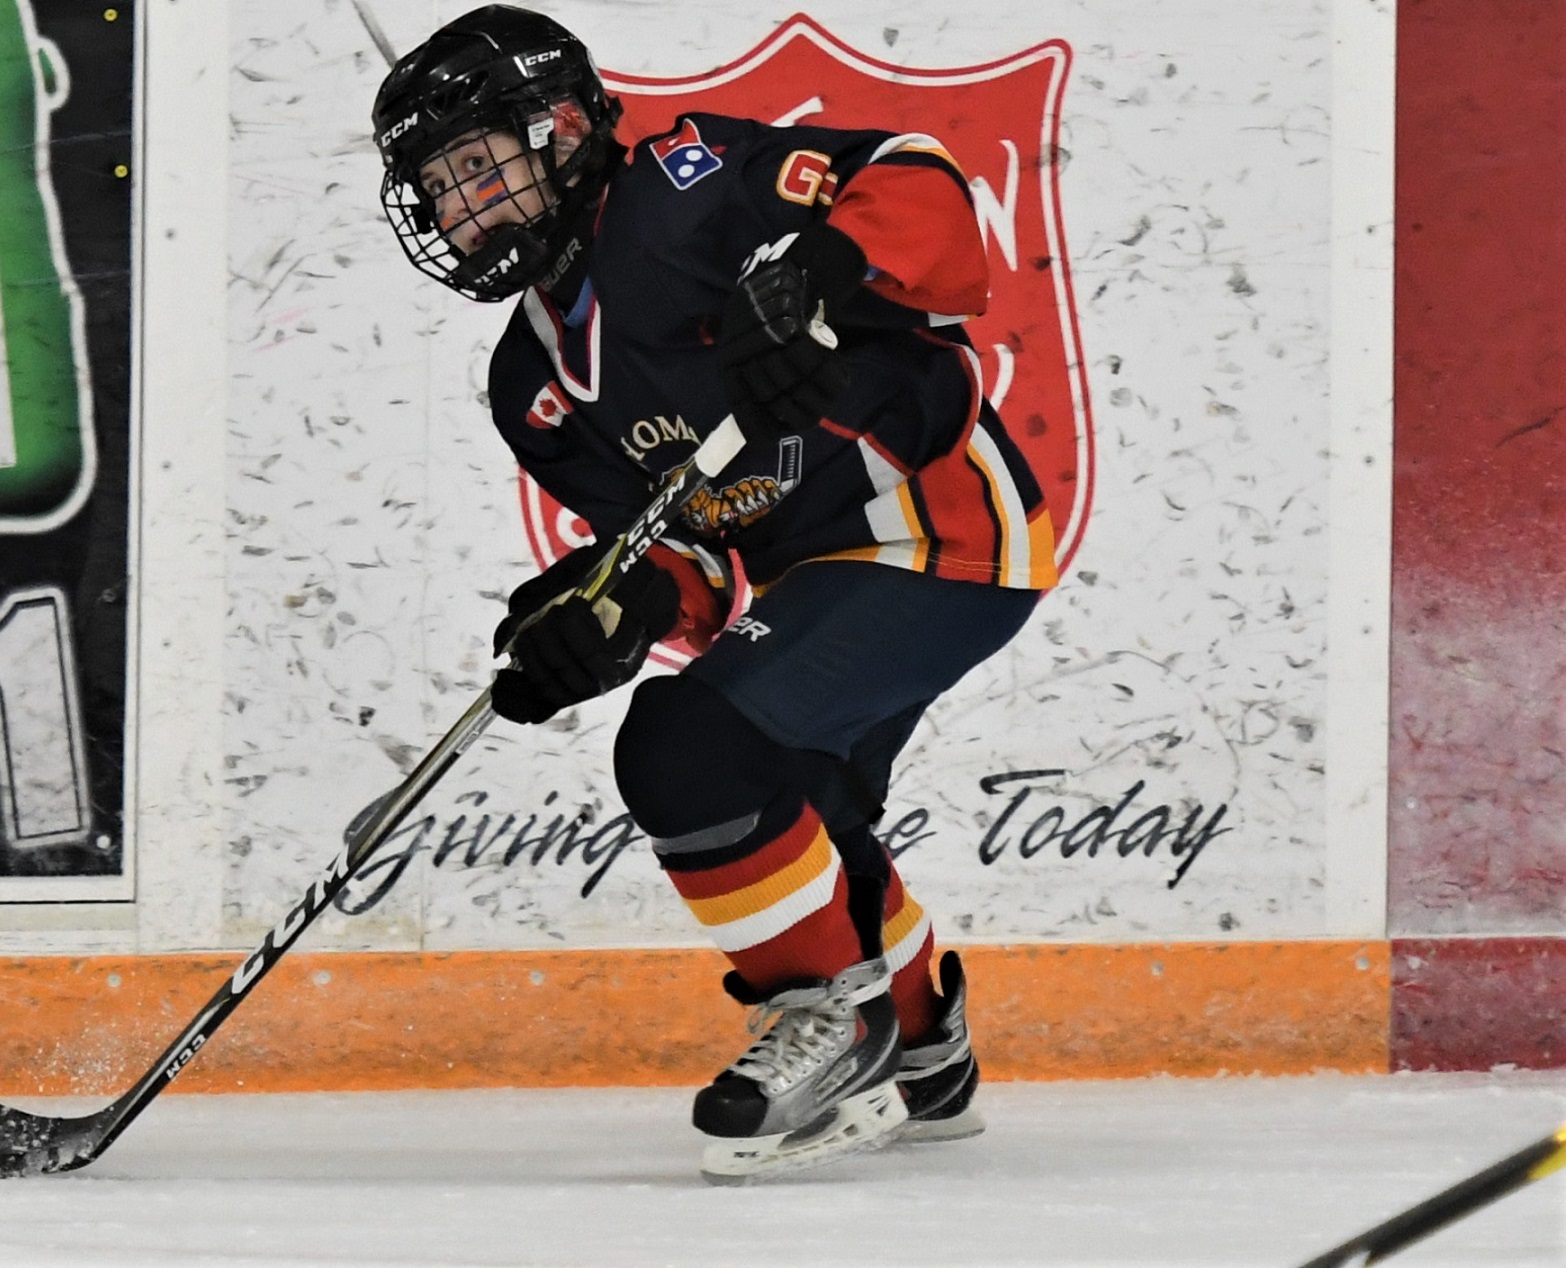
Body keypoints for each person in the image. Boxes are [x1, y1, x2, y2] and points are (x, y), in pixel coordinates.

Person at [371, 5, 1058, 1184]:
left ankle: (830, 1018)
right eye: (440, 188)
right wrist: (609, 614)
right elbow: (686, 544)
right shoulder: (529, 380)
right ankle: (928, 1047)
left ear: (565, 124)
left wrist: (822, 272)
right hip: (814, 573)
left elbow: (917, 182)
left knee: (689, 749)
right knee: (804, 807)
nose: (460, 209)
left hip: (937, 531)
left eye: (479, 167)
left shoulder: (686, 187)